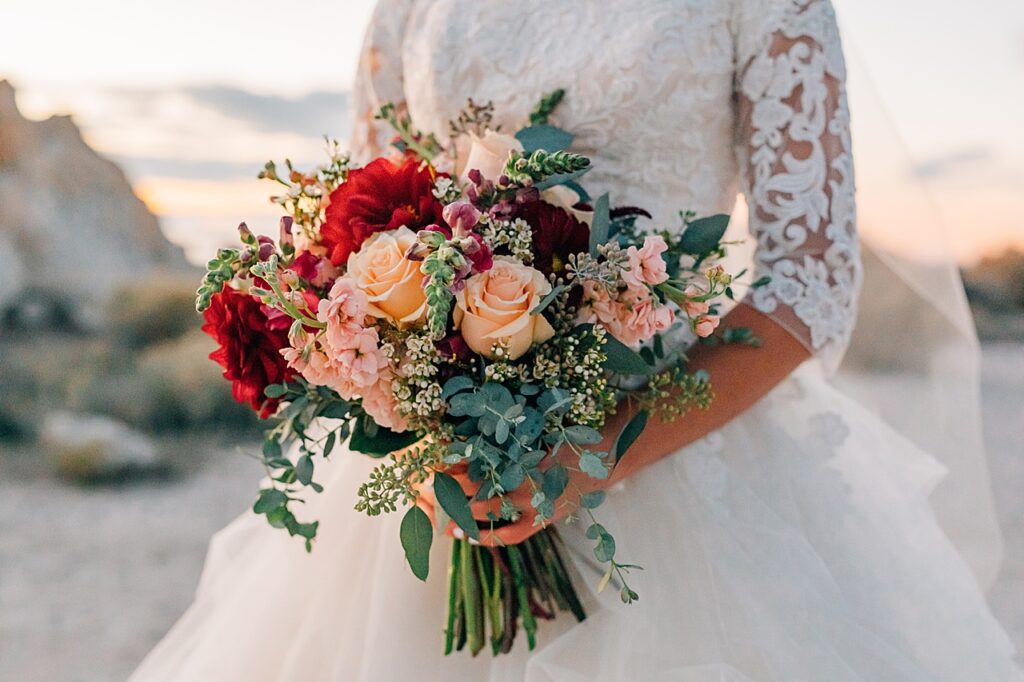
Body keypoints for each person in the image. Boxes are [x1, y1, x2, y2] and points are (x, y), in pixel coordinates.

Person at [130, 0, 1023, 679]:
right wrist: (410, 379)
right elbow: (362, 219)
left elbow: (812, 280)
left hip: (674, 437)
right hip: (449, 465)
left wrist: (592, 455)